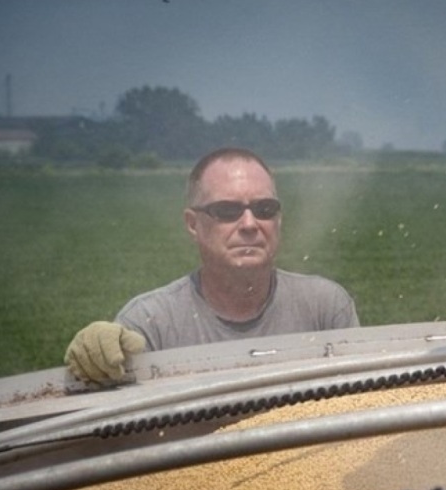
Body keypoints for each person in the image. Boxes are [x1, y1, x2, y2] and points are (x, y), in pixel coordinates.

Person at [65, 147, 360, 385]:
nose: (249, 224)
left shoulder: (325, 308)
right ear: (193, 224)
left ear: (279, 220)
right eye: (227, 211)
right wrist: (96, 368)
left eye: (264, 209)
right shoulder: (149, 325)